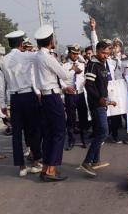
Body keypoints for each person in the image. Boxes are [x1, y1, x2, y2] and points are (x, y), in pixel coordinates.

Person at [34, 25, 81, 182]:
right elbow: (64, 74)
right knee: (59, 133)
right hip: (53, 98)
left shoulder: (37, 56)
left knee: (48, 134)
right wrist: (74, 69)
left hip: (45, 97)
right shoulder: (48, 57)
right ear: (50, 41)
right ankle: (51, 170)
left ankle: (45, 168)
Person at [0, 30, 42, 177]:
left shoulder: (2, 61)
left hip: (14, 99)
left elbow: (1, 85)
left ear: (9, 44)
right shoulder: (28, 56)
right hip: (29, 96)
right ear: (22, 43)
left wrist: (2, 104)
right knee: (33, 130)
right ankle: (36, 162)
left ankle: (21, 167)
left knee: (17, 134)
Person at [80, 40, 116, 176]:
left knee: (98, 131)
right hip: (96, 104)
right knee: (103, 132)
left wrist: (108, 100)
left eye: (107, 53)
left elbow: (102, 87)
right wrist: (100, 99)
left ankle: (96, 161)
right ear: (97, 50)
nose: (105, 56)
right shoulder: (92, 65)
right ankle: (87, 162)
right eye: (103, 53)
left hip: (102, 103)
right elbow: (89, 85)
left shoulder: (102, 65)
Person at [61, 44, 88, 150]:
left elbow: (85, 77)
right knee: (71, 119)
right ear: (69, 53)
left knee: (83, 118)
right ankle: (71, 140)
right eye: (73, 53)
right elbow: (60, 80)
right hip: (70, 95)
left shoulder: (82, 65)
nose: (76, 55)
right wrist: (66, 87)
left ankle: (84, 139)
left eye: (77, 53)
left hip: (80, 94)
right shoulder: (64, 66)